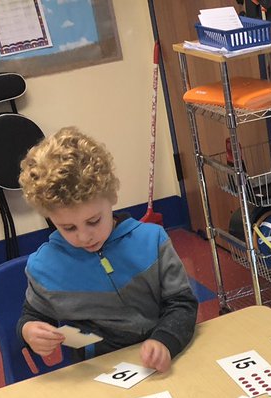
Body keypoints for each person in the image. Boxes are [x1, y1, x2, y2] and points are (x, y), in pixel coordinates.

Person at [17, 127, 198, 373]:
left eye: (94, 221)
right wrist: (30, 331)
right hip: (99, 374)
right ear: (49, 217)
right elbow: (34, 315)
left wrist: (165, 340)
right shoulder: (44, 268)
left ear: (112, 196)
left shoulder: (151, 241)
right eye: (68, 227)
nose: (84, 236)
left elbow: (182, 303)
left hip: (163, 361)